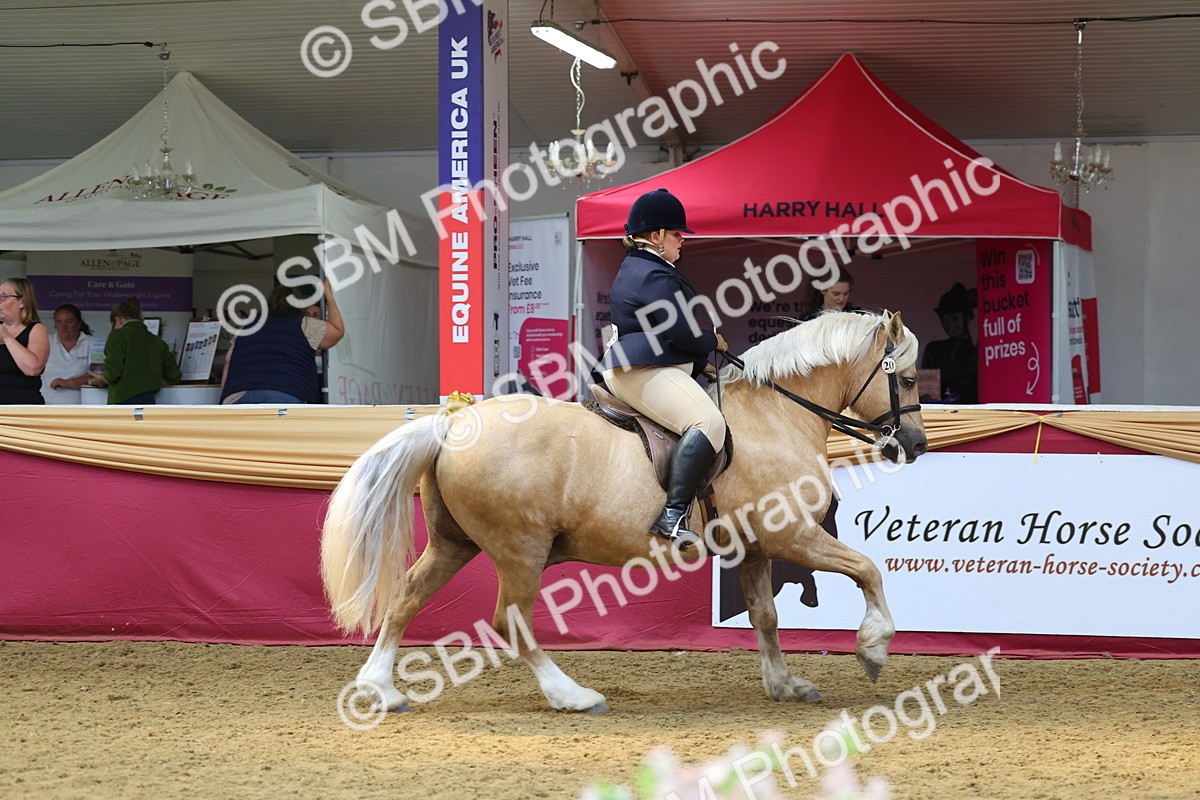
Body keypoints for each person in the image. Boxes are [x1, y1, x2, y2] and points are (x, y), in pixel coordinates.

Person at [598, 188, 727, 550]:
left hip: (646, 363)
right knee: (709, 423)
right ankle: (672, 516)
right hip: (640, 369)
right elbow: (682, 332)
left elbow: (662, 334)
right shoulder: (654, 274)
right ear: (655, 237)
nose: (682, 240)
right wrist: (711, 342)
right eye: (676, 233)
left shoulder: (644, 267)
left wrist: (700, 364)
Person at [220, 278, 344, 404]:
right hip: (287, 392)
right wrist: (329, 297)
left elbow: (229, 359)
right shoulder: (305, 324)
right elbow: (337, 331)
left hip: (239, 395)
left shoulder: (249, 324)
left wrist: (224, 399)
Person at [92, 296, 182, 405]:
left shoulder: (117, 336)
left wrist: (102, 379)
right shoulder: (157, 341)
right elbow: (174, 376)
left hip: (122, 400)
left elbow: (113, 372)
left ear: (118, 320)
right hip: (149, 401)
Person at [921, 282, 978, 404]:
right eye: (946, 319)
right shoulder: (934, 350)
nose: (951, 324)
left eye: (955, 318)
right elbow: (927, 393)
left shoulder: (978, 351)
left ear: (966, 318)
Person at [0, 277, 50, 405]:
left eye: (3, 297)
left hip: (22, 410)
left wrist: (6, 337)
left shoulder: (36, 329)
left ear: (21, 301)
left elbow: (33, 369)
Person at [41, 303, 94, 404]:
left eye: (68, 322)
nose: (64, 326)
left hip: (82, 408)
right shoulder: (45, 342)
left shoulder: (92, 344)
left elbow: (99, 377)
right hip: (47, 406)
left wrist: (68, 383)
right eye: (59, 322)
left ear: (79, 324)